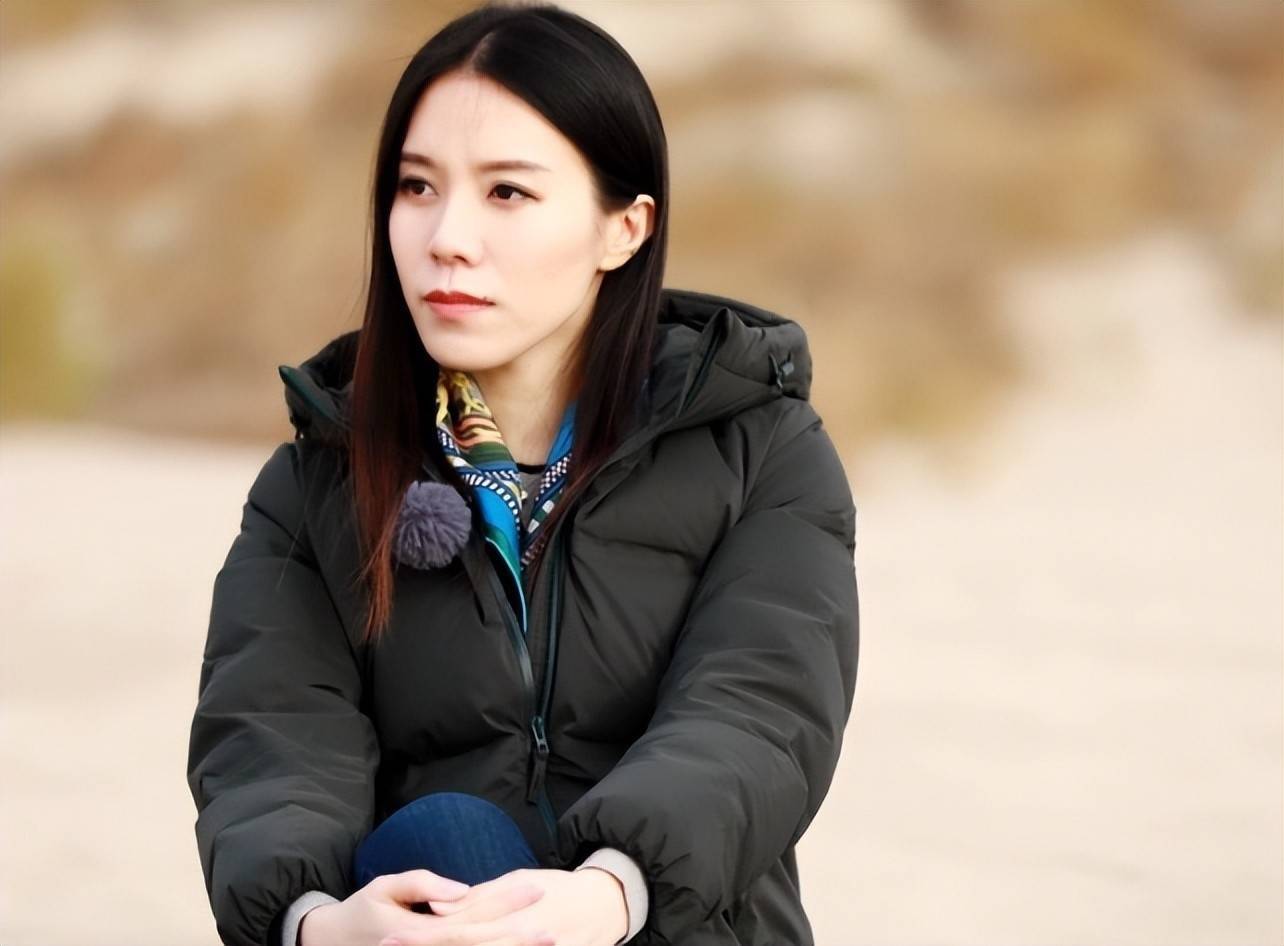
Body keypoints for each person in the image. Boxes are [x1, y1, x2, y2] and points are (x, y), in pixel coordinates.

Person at [185, 3, 860, 945]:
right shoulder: (318, 485)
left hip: (665, 924)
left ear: (624, 228)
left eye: (506, 192)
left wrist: (610, 894)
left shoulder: (759, 449)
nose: (447, 236)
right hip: (430, 927)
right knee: (450, 838)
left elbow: (758, 713)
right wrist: (321, 927)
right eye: (417, 187)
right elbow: (273, 740)